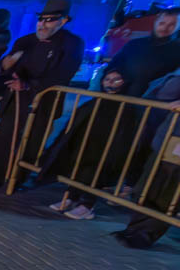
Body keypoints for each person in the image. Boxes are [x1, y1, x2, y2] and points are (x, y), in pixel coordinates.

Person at [0, 0, 85, 187]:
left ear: (62, 21)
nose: (43, 24)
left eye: (49, 20)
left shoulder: (71, 43)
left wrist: (28, 85)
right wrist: (6, 67)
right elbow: (8, 64)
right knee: (6, 136)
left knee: (33, 140)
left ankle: (19, 177)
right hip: (15, 99)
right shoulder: (25, 41)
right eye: (41, 20)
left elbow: (63, 74)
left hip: (44, 100)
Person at [38, 71, 134, 220]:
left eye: (116, 79)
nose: (110, 83)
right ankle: (71, 196)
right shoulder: (95, 102)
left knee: (94, 171)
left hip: (104, 149)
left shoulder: (128, 107)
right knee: (77, 165)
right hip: (86, 144)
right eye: (107, 79)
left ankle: (87, 205)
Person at [113, 73, 180, 248]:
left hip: (173, 142)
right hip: (168, 138)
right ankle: (136, 229)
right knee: (149, 186)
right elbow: (165, 93)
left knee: (168, 192)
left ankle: (146, 233)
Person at [102, 9, 180, 99]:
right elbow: (114, 65)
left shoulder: (177, 51)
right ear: (156, 22)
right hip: (118, 98)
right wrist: (111, 75)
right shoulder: (134, 44)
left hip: (151, 104)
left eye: (172, 25)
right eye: (162, 23)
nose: (164, 28)